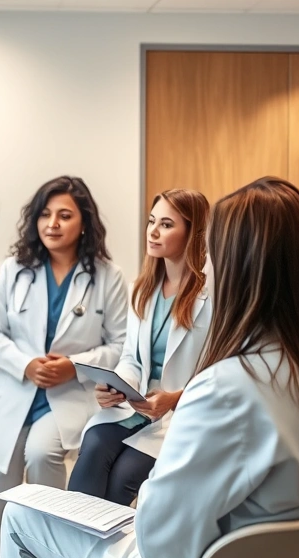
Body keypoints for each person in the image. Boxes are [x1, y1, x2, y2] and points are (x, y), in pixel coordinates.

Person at [0, 176, 299, 558]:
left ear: (236, 271)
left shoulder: (225, 389)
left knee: (20, 516)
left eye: (212, 253)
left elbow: (158, 540)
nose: (205, 265)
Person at [0, 176, 128, 558]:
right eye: (45, 214)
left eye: (64, 215)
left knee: (42, 454)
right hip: (17, 388)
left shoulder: (107, 276)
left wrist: (74, 365)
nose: (53, 224)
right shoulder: (15, 270)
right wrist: (26, 364)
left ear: (84, 222)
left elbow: (120, 343)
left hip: (68, 395)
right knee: (0, 474)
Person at [67, 188, 211, 505]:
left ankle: (94, 536)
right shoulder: (142, 289)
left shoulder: (213, 295)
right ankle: (73, 532)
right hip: (137, 407)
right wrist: (118, 387)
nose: (153, 232)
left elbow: (220, 372)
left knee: (124, 474)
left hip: (182, 414)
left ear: (193, 232)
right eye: (151, 221)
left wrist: (175, 398)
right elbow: (131, 357)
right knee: (94, 446)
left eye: (166, 224)